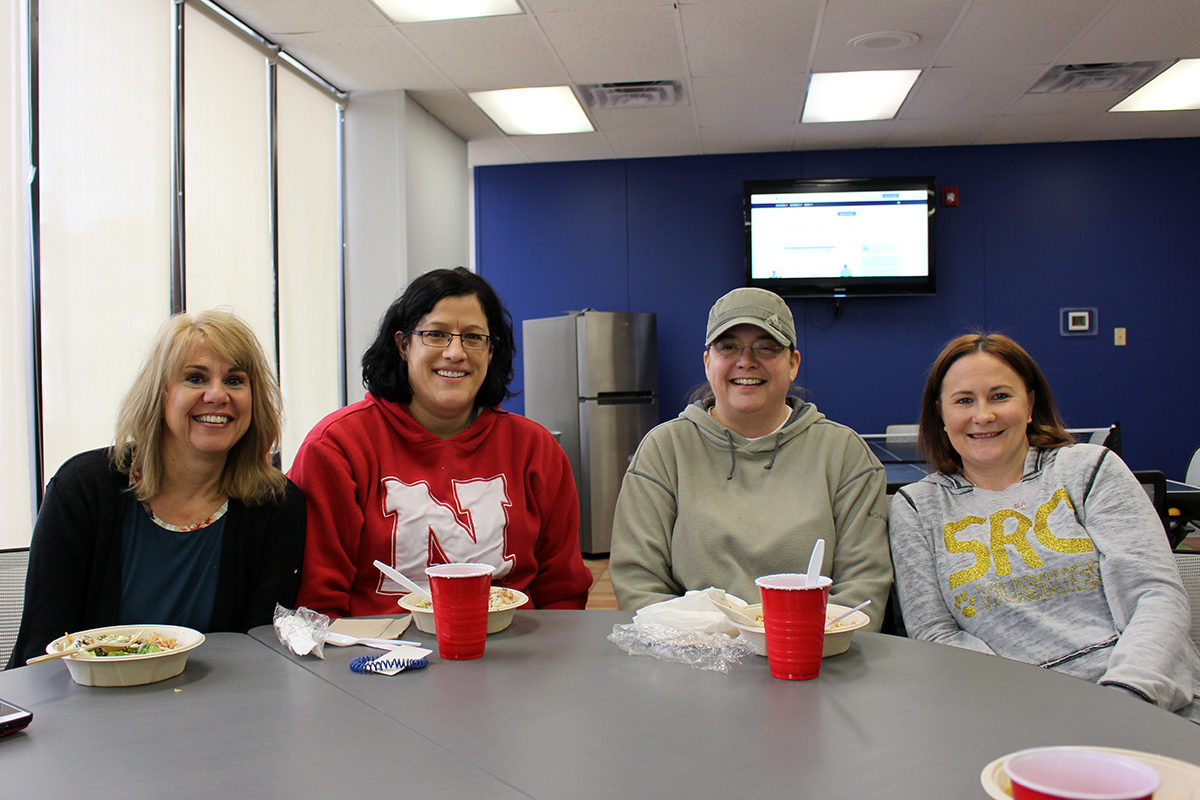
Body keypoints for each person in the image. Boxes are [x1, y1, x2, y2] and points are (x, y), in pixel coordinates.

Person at [889, 332, 1199, 721]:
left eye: (1000, 396)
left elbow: (1155, 595)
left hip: (1143, 704)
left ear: (1030, 404)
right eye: (964, 400)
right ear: (940, 413)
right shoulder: (917, 507)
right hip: (1014, 716)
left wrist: (1124, 700)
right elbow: (935, 635)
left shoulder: (1088, 469)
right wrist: (1029, 713)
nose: (983, 415)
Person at [8, 310, 306, 668]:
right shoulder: (83, 489)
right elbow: (43, 649)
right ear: (160, 394)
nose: (217, 394)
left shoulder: (276, 505)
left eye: (235, 380)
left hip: (220, 698)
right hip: (82, 696)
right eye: (195, 378)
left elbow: (260, 656)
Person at [289, 267, 592, 617]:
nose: (455, 352)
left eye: (474, 337)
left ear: (491, 352)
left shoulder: (535, 450)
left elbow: (562, 595)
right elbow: (317, 608)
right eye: (436, 334)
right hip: (377, 648)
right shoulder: (336, 447)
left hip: (514, 646)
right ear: (403, 345)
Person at [609, 287, 892, 628]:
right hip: (693, 653)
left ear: (793, 363)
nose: (746, 360)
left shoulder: (845, 454)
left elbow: (863, 588)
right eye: (728, 347)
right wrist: (712, 643)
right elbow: (639, 581)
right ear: (707, 362)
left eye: (766, 347)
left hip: (812, 652)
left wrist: (788, 643)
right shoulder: (664, 450)